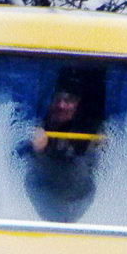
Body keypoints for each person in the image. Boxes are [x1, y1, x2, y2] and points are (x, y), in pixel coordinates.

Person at [23, 79, 96, 222]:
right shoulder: (34, 124)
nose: (61, 105)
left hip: (77, 203)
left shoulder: (91, 131)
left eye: (69, 100)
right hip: (38, 203)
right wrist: (36, 149)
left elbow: (82, 175)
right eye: (57, 99)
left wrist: (42, 153)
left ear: (79, 104)